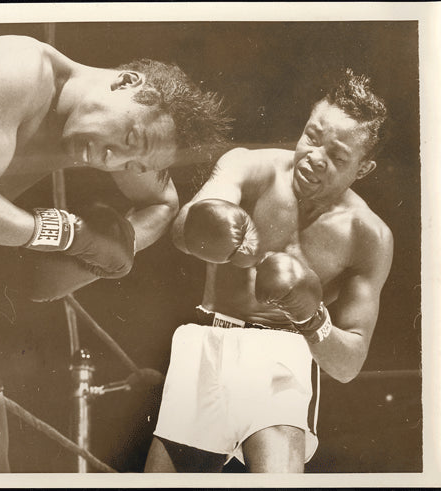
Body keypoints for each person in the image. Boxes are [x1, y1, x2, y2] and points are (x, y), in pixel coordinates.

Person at [0, 34, 231, 472]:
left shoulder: (119, 142)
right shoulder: (19, 67)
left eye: (134, 165)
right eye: (130, 137)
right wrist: (70, 234)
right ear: (127, 83)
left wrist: (121, 245)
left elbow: (162, 202)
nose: (113, 160)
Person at [144, 68, 394, 473]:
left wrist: (312, 319)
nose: (315, 156)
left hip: (286, 354)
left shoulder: (368, 236)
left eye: (337, 156)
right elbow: (182, 230)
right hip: (209, 342)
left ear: (362, 169)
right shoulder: (249, 168)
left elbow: (348, 364)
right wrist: (212, 224)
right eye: (312, 136)